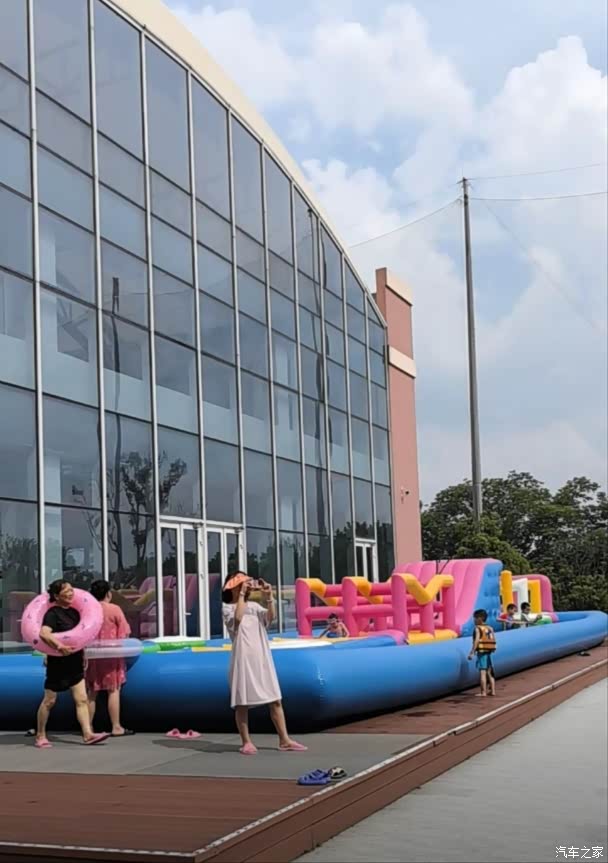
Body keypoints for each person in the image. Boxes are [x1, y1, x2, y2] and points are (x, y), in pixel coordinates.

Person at [222, 572, 307, 755]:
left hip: (261, 656)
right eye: (242, 584)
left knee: (275, 699)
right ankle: (246, 741)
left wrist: (269, 597)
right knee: (242, 702)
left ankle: (284, 739)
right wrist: (242, 595)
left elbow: (270, 617)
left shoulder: (254, 606)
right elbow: (237, 619)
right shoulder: (228, 608)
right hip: (242, 658)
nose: (247, 586)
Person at [35, 580, 110, 748]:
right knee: (49, 701)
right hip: (58, 662)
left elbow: (82, 635)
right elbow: (44, 634)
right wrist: (59, 646)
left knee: (82, 699)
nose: (70, 593)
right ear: (57, 596)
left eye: (71, 590)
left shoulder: (76, 613)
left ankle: (88, 734)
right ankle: (40, 734)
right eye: (66, 591)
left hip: (74, 661)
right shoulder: (53, 614)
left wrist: (83, 653)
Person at [86, 580, 134, 738]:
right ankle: (116, 726)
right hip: (112, 655)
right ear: (108, 594)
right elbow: (125, 632)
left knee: (92, 691)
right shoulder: (114, 609)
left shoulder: (88, 610)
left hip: (92, 655)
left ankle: (88, 727)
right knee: (113, 690)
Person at [467, 608, 496, 697]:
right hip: (489, 652)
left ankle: (483, 692)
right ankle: (493, 691)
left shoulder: (477, 628)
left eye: (475, 618)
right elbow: (493, 639)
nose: (474, 620)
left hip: (482, 652)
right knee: (490, 672)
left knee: (482, 672)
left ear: (480, 618)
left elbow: (476, 641)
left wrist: (472, 652)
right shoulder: (490, 628)